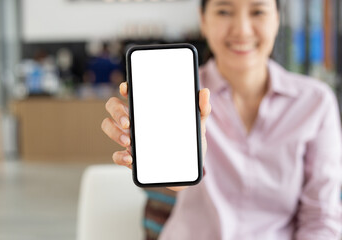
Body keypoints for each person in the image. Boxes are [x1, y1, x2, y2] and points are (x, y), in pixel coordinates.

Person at [101, 0, 342, 239]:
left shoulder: (315, 103)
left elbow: (321, 216)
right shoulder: (174, 93)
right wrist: (165, 160)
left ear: (277, 19)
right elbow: (170, 184)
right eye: (224, 11)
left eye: (258, 11)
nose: (242, 30)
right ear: (203, 20)